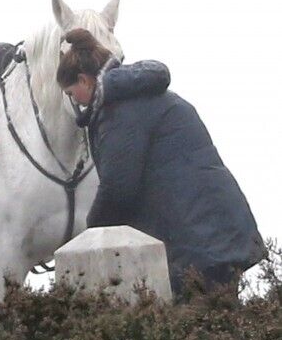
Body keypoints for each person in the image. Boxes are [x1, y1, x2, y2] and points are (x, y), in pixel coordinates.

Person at [57, 28, 266, 295]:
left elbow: (119, 189)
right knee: (219, 323)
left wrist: (89, 236)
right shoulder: (143, 97)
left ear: (84, 81)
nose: (75, 102)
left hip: (195, 240)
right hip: (215, 231)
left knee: (194, 327)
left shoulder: (119, 111)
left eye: (72, 93)